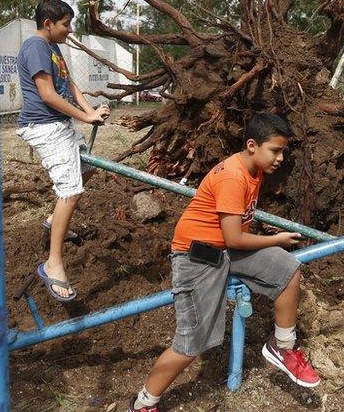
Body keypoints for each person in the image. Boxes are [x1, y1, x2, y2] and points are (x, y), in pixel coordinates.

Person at [127, 113, 321, 412]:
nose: (281, 158)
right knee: (192, 342)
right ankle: (144, 403)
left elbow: (233, 239)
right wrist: (276, 239)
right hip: (197, 257)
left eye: (283, 150)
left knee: (288, 268)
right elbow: (235, 239)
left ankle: (282, 346)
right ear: (253, 145)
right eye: (276, 150)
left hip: (225, 250)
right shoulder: (233, 176)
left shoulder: (253, 171)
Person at [15, 0, 110, 301]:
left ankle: (54, 220)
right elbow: (47, 95)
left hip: (59, 125)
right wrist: (85, 117)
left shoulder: (53, 49)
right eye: (66, 24)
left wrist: (91, 109)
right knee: (70, 190)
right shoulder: (35, 47)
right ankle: (53, 264)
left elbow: (70, 88)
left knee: (86, 169)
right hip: (44, 126)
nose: (70, 30)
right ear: (48, 24)